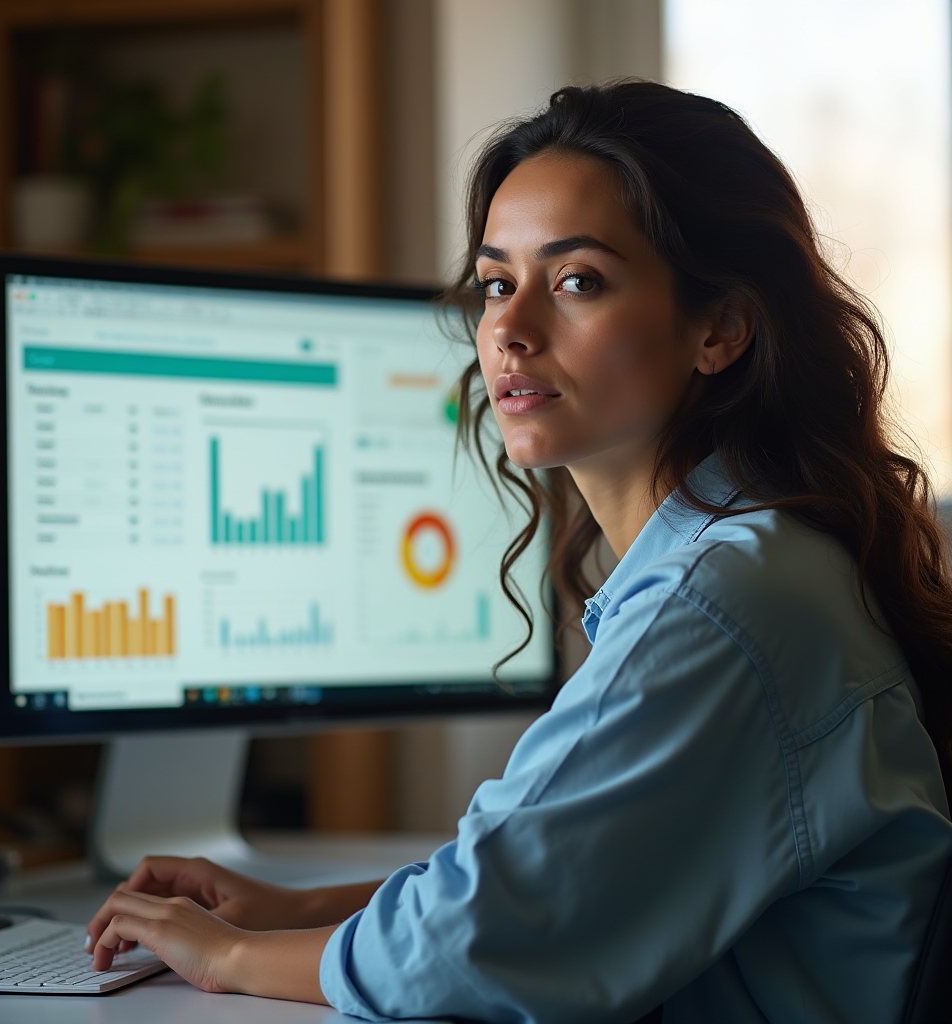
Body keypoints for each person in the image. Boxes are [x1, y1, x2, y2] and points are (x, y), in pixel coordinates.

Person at [85, 81, 952, 1023]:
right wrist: (302, 911)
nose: (509, 327)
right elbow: (550, 884)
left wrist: (228, 956)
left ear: (720, 329)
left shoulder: (722, 599)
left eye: (577, 280)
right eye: (499, 282)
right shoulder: (748, 557)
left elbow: (465, 949)